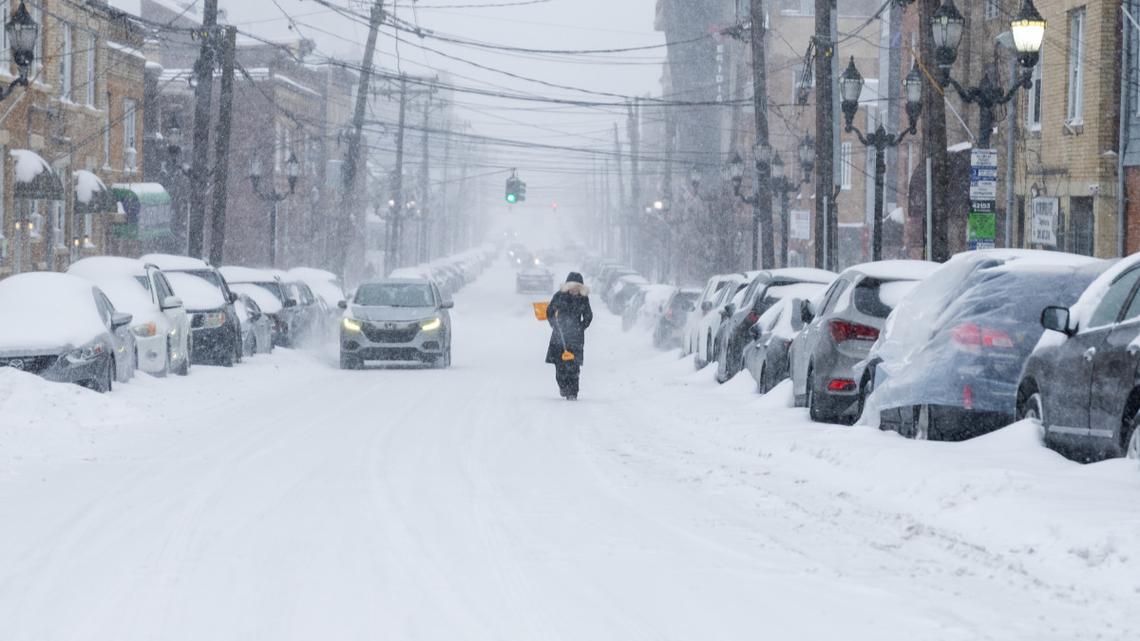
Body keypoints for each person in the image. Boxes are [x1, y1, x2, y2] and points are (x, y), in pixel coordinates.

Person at [545, 272, 593, 400]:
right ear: (568, 286)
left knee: (574, 367)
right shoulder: (560, 296)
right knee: (560, 366)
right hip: (559, 336)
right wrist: (554, 324)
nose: (574, 289)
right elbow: (550, 311)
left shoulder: (583, 299)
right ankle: (563, 386)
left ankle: (572, 392)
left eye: (577, 287)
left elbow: (588, 315)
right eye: (572, 286)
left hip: (576, 338)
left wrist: (581, 327)